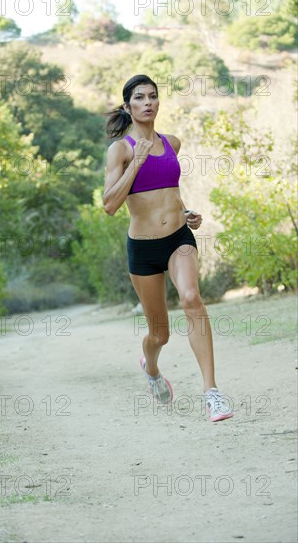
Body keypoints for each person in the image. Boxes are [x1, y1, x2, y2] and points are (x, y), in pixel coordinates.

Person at [102, 74, 233, 422]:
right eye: (140, 98)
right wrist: (138, 163)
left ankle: (212, 393)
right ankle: (151, 367)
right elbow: (109, 204)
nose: (148, 103)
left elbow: (167, 193)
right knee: (160, 333)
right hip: (143, 249)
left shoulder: (172, 143)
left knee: (192, 298)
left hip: (178, 238)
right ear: (128, 107)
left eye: (153, 97)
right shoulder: (120, 150)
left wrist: (185, 210)